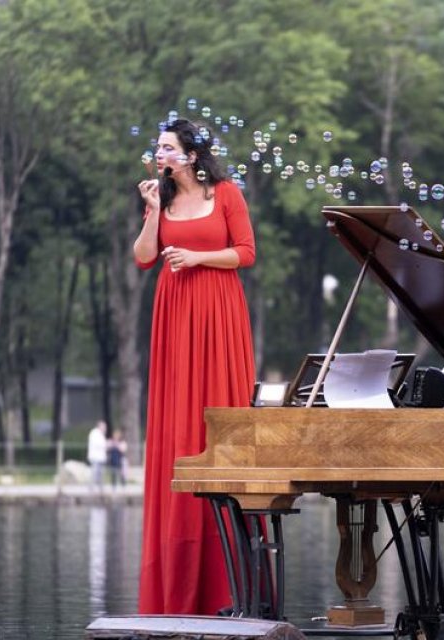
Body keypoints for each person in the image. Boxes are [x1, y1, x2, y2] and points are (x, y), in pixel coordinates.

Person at [133, 118, 256, 615]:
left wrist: (199, 258)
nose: (159, 154)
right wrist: (151, 212)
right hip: (176, 316)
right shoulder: (159, 198)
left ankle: (234, 587)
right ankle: (177, 588)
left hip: (219, 313)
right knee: (178, 430)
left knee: (219, 427)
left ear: (191, 154)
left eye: (168, 147)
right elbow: (145, 258)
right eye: (158, 147)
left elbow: (246, 253)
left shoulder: (225, 194)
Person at [86, 420, 109, 492]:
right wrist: (107, 444)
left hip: (100, 457)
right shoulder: (95, 433)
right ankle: (91, 487)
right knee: (94, 472)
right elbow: (99, 444)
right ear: (100, 426)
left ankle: (101, 488)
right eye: (104, 427)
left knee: (101, 473)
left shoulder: (100, 434)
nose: (105, 428)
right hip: (95, 457)